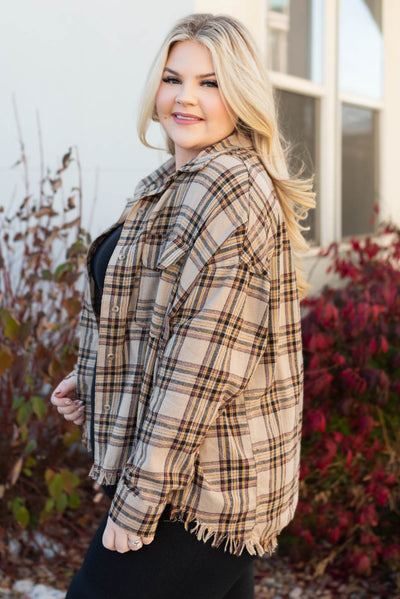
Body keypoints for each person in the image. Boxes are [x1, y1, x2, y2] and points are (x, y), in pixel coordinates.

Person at [51, 12, 315, 599]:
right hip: (197, 472)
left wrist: (137, 505)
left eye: (210, 83)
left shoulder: (226, 192)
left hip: (200, 489)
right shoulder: (172, 182)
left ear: (241, 95)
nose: (185, 98)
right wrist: (92, 379)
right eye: (174, 79)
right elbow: (160, 320)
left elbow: (203, 369)